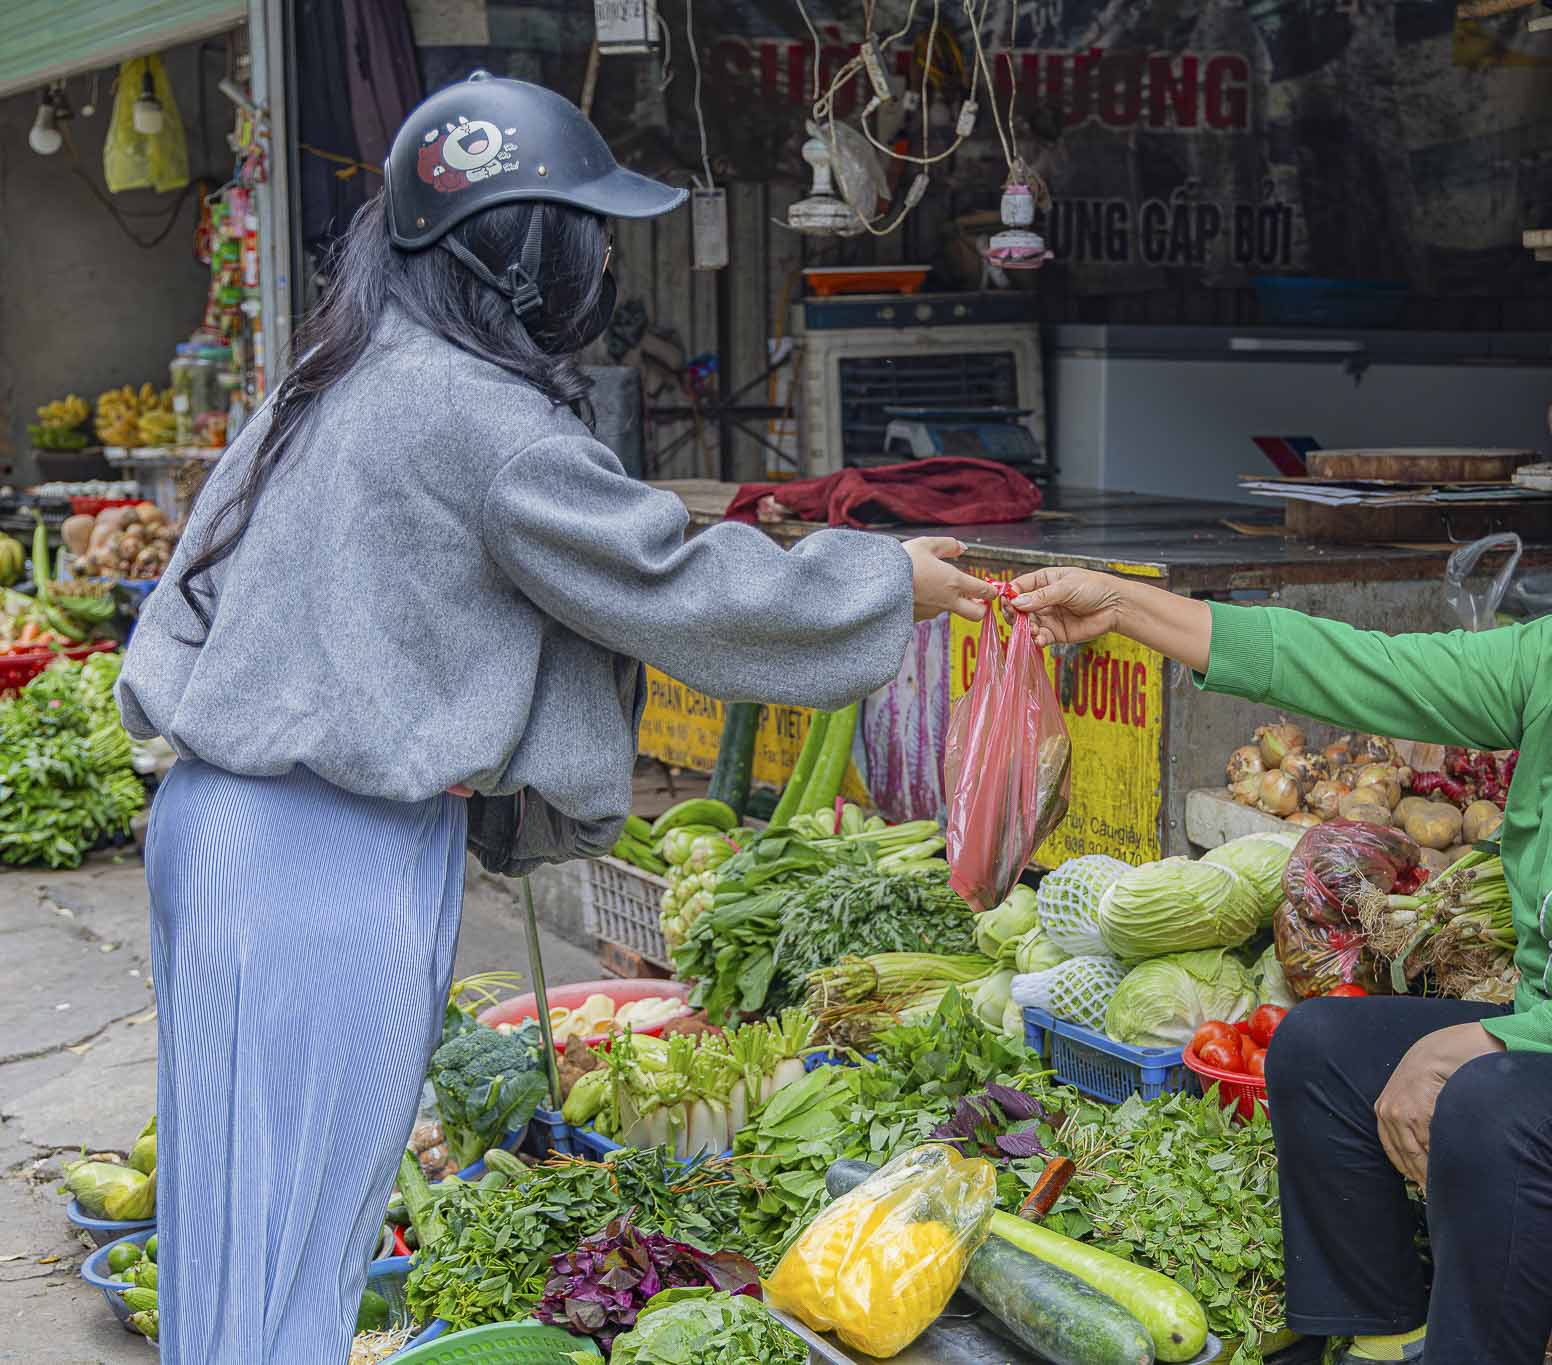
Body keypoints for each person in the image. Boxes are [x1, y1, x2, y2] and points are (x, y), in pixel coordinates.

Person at [116, 73, 994, 1362]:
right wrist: (881, 583)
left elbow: (194, 593)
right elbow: (668, 583)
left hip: (226, 827)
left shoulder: (337, 373)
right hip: (322, 854)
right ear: (523, 256)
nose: (599, 267)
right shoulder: (480, 419)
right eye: (586, 236)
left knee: (235, 1226)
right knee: (294, 1239)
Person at [1011, 457, 1552, 1365]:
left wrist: (1468, 1042)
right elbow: (1360, 667)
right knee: (1318, 1047)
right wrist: (1124, 605)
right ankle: (1382, 1337)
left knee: (1490, 1102)